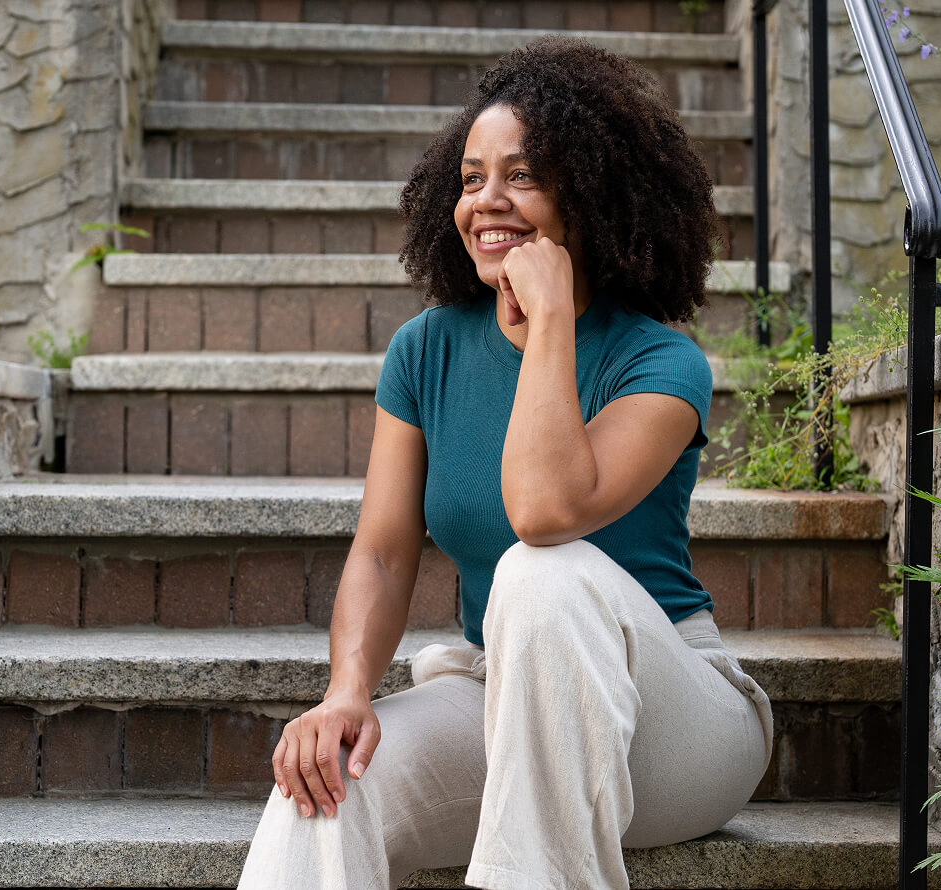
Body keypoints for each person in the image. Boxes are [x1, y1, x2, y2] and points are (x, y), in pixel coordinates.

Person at [237, 37, 773, 890]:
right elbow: (381, 551)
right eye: (471, 177)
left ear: (590, 196)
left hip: (676, 725)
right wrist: (346, 693)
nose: (488, 201)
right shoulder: (427, 351)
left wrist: (549, 321)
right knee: (325, 789)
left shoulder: (661, 363)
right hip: (502, 695)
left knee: (542, 570)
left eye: (522, 176)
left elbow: (544, 509)